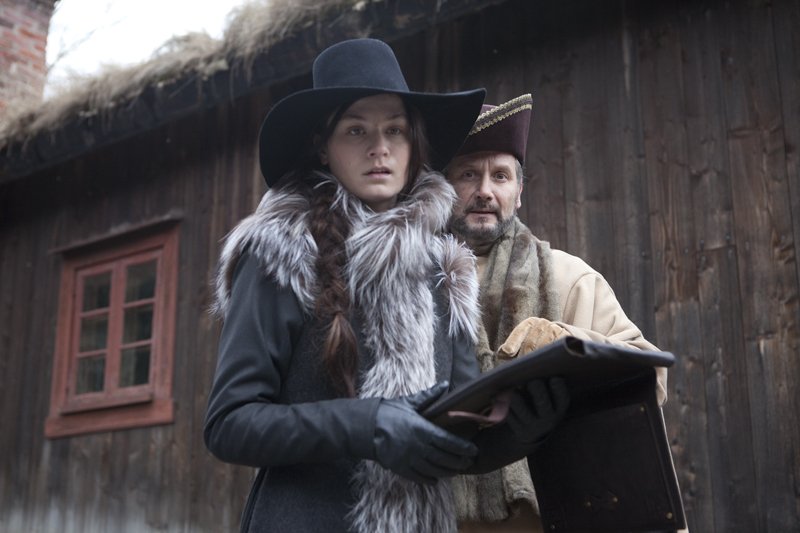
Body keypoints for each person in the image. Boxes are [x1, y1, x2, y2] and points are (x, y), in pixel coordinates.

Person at [203, 40, 567, 533]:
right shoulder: (280, 252)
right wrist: (369, 424)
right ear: (323, 147)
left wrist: (523, 430)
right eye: (356, 130)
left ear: (413, 144)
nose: (380, 148)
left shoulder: (446, 268)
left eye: (395, 129)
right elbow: (229, 423)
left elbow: (457, 437)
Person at [444, 94, 670, 532]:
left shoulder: (569, 278)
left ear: (519, 193)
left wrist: (565, 343)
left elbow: (649, 374)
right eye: (468, 174)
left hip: (551, 519)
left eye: (501, 175)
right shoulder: (408, 287)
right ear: (443, 188)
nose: (485, 190)